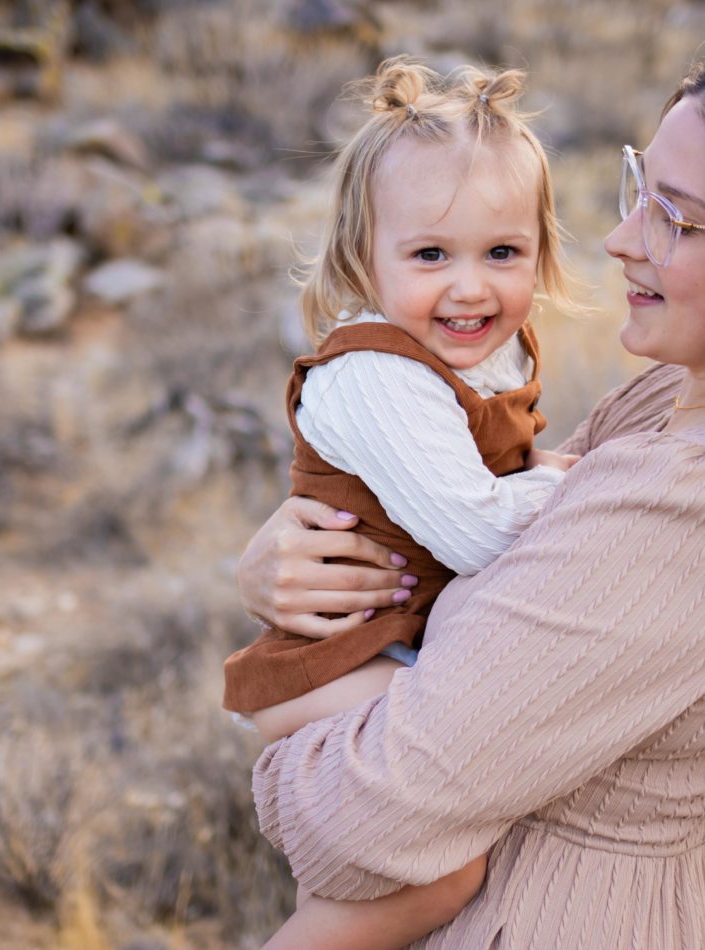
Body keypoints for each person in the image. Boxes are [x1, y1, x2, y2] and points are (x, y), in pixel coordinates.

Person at [242, 61, 705, 948]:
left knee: (409, 881)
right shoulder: (665, 397)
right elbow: (489, 515)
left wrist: (299, 742)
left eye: (676, 216)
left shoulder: (676, 507)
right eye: (638, 187)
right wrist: (279, 561)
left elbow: (363, 821)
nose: (619, 238)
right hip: (368, 660)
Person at [223, 56, 579, 949]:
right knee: (438, 874)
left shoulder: (481, 356)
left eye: (503, 253)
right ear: (362, 258)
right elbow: (477, 527)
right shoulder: (378, 373)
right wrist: (590, 487)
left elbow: (510, 477)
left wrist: (565, 472)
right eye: (430, 255)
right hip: (336, 662)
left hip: (395, 642)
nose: (470, 287)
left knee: (453, 868)